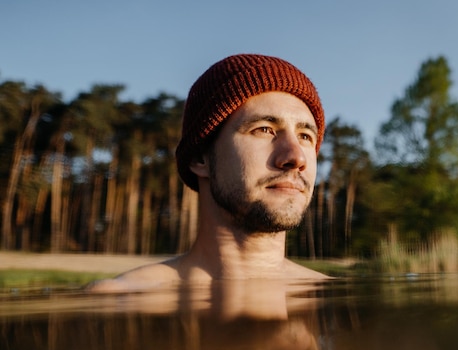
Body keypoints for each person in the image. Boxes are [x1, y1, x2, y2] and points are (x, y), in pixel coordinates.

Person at [88, 54, 327, 292]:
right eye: (264, 129)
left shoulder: (333, 308)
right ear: (200, 158)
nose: (297, 158)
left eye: (306, 136)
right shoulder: (124, 303)